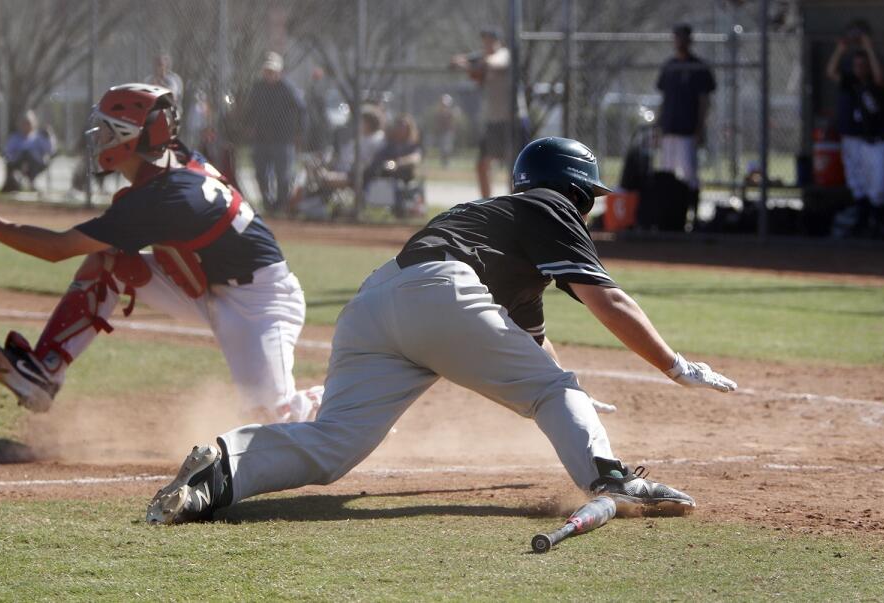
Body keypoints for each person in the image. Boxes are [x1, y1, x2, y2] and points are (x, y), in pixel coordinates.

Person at [146, 137, 738, 526]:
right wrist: (671, 365)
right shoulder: (549, 209)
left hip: (375, 303)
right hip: (441, 293)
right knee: (552, 392)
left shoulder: (494, 219)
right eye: (586, 197)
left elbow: (530, 340)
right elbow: (605, 298)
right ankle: (611, 479)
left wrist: (565, 387)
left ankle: (220, 469)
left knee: (331, 445)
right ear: (576, 190)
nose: (584, 209)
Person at [0, 84, 321, 423]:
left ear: (132, 138)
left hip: (261, 302)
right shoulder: (172, 161)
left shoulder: (160, 197)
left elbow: (56, 248)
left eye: (108, 130)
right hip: (205, 283)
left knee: (275, 423)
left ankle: (356, 395)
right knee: (108, 263)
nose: (99, 138)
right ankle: (45, 371)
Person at [826, 25, 884, 235]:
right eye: (856, 65)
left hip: (883, 141)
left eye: (863, 65)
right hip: (865, 143)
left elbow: (879, 76)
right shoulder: (851, 82)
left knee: (879, 190)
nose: (859, 68)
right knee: (864, 188)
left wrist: (869, 48)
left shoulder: (878, 83)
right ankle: (869, 224)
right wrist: (841, 49)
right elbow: (831, 72)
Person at [451, 29, 518, 198]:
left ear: (498, 42)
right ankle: (487, 204)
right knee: (482, 164)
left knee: (515, 167)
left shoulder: (504, 54)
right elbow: (477, 71)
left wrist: (467, 62)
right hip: (494, 121)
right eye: (484, 41)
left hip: (511, 121)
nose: (487, 45)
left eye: (490, 41)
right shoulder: (482, 58)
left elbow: (490, 63)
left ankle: (516, 204)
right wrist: (464, 62)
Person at [655, 22, 716, 199]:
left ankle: (693, 211)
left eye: (682, 37)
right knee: (667, 173)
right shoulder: (669, 66)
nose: (679, 41)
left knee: (690, 173)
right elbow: (663, 99)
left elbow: (704, 101)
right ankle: (669, 213)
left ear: (690, 40)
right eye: (676, 37)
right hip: (669, 128)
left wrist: (699, 128)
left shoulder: (699, 67)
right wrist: (660, 125)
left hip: (688, 130)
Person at [245, 52, 306, 214]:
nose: (269, 74)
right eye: (267, 71)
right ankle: (268, 204)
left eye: (273, 71)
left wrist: (299, 132)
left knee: (283, 174)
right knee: (260, 173)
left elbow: (301, 110)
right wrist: (250, 127)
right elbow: (250, 110)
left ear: (279, 72)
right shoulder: (258, 88)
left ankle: (282, 205)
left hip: (283, 139)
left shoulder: (288, 89)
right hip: (262, 138)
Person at [2, 110, 55, 193]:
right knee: (24, 154)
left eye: (29, 123)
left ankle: (32, 182)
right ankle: (17, 183)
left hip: (36, 165)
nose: (26, 126)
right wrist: (12, 159)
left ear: (34, 124)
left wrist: (50, 137)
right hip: (18, 163)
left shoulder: (39, 137)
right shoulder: (15, 137)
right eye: (24, 123)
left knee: (29, 154)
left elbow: (50, 150)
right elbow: (7, 152)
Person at [432, 94, 458, 167]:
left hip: (448, 133)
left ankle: (447, 162)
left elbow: (452, 123)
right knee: (442, 148)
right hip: (442, 132)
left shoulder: (451, 112)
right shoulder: (439, 112)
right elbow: (437, 123)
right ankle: (443, 163)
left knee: (447, 148)